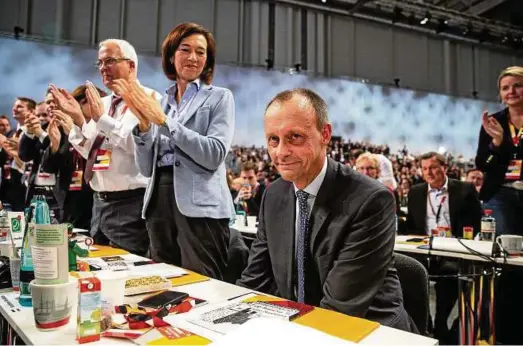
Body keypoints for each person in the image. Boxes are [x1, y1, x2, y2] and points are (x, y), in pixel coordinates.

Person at [237, 88, 414, 332]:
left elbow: (339, 309)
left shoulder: (370, 200)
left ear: (325, 134)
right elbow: (254, 279)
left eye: (295, 137)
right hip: (300, 322)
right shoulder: (274, 193)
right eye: (273, 140)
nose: (281, 152)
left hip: (366, 331)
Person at [128, 22, 234, 280]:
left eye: (201, 52)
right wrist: (143, 129)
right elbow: (145, 168)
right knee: (164, 283)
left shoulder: (220, 97)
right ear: (171, 55)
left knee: (204, 283)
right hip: (158, 202)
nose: (193, 57)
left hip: (201, 205)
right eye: (185, 49)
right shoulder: (160, 103)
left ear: (208, 60)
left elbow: (214, 154)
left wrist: (164, 122)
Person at [51, 39, 160, 256]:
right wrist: (79, 121)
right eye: (99, 63)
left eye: (109, 61)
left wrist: (102, 119)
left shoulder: (150, 99)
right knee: (98, 270)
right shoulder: (106, 103)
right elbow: (92, 150)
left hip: (131, 205)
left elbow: (139, 148)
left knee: (127, 275)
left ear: (131, 65)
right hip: (100, 203)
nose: (103, 68)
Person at [406, 152, 481, 343]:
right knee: (410, 270)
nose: (428, 173)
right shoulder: (415, 191)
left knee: (449, 272)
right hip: (424, 248)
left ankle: (440, 321)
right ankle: (425, 323)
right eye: (424, 169)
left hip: (452, 248)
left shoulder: (465, 190)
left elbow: (477, 223)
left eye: (432, 168)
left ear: (444, 168)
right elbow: (410, 227)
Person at [41, 85, 107, 229]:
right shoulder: (63, 127)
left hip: (94, 196)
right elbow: (48, 167)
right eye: (82, 102)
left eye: (87, 101)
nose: (88, 105)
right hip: (67, 199)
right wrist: (55, 145)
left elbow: (97, 158)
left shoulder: (102, 128)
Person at [476, 66, 523, 236]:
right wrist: (496, 143)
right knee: (505, 249)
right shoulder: (493, 122)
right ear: (500, 94)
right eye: (505, 88)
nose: (511, 91)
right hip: (499, 192)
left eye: (518, 85)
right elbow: (482, 164)